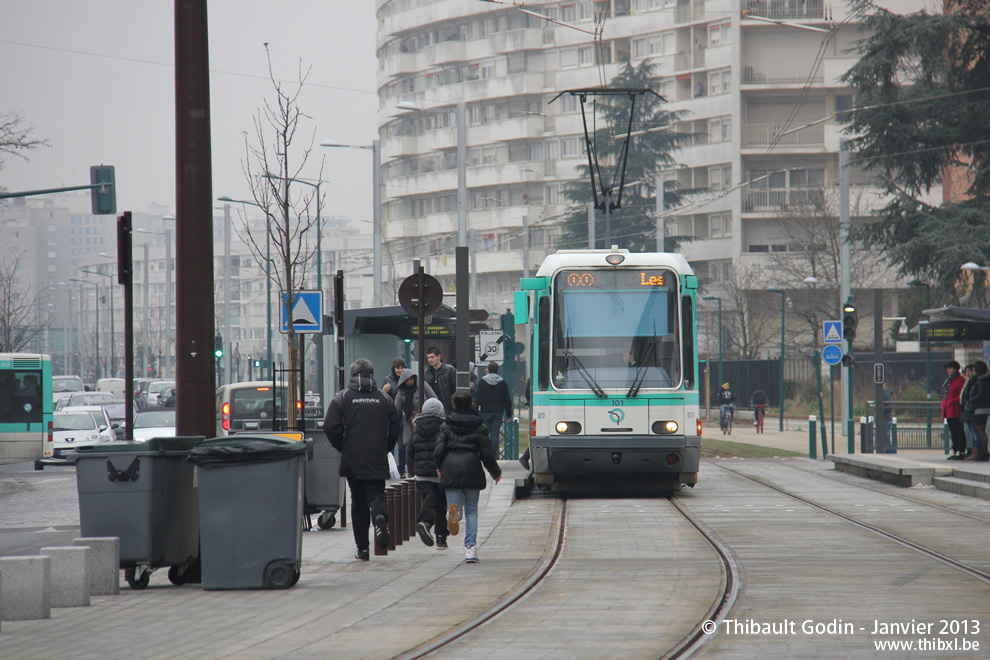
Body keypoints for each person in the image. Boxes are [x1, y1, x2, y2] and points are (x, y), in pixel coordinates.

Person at [324, 358, 401, 561]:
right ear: (372, 374)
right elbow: (395, 425)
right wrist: (386, 446)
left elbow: (330, 426)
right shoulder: (384, 398)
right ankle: (379, 516)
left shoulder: (343, 397)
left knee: (358, 502)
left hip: (353, 458)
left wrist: (344, 445)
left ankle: (363, 549)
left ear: (353, 375)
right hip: (377, 456)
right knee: (376, 495)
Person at [435, 389, 502, 563]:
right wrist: (495, 472)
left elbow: (438, 450)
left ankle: (454, 514)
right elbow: (487, 454)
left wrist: (439, 467)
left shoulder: (446, 426)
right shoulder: (480, 427)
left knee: (455, 504)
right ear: (471, 404)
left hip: (451, 468)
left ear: (454, 405)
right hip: (472, 468)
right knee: (472, 510)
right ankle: (470, 549)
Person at [407, 397, 449, 549]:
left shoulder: (416, 429)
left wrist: (412, 471)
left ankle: (426, 524)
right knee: (440, 505)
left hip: (422, 475)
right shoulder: (444, 429)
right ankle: (439, 536)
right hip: (440, 474)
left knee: (428, 500)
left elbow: (410, 451)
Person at [393, 367, 437, 476]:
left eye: (411, 379)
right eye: (407, 381)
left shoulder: (422, 385)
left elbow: (434, 399)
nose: (409, 382)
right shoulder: (401, 392)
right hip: (409, 422)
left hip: (426, 420)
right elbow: (396, 410)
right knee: (410, 447)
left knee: (426, 446)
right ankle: (412, 473)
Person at [474, 361, 513, 457]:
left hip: (485, 410)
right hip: (498, 411)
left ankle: (485, 453)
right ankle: (493, 454)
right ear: (498, 371)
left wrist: (476, 411)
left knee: (485, 433)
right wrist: (509, 414)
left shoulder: (482, 382)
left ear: (488, 370)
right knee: (495, 433)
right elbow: (507, 399)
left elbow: (477, 397)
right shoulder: (502, 382)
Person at [941, 360, 967, 460]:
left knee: (958, 430)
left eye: (950, 368)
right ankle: (955, 450)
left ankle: (961, 450)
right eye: (948, 368)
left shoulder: (959, 380)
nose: (948, 370)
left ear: (955, 369)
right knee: (953, 431)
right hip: (948, 410)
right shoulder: (949, 380)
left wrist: (952, 401)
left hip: (955, 409)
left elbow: (961, 395)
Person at [965, 360, 990, 461]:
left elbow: (980, 394)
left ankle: (983, 452)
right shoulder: (986, 379)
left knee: (980, 430)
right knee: (981, 430)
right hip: (985, 407)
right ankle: (983, 452)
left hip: (980, 408)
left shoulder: (981, 380)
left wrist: (972, 399)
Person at [425, 346, 457, 413]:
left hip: (448, 407)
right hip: (432, 406)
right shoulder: (426, 372)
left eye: (432, 357)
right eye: (428, 357)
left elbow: (455, 389)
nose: (430, 360)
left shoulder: (450, 370)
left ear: (438, 357)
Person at [959, 364, 978, 459]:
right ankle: (970, 450)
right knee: (968, 430)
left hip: (971, 409)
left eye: (969, 371)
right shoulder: (968, 382)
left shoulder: (974, 382)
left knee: (973, 432)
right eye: (966, 371)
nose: (967, 373)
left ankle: (973, 451)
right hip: (966, 409)